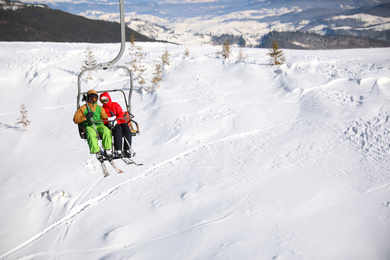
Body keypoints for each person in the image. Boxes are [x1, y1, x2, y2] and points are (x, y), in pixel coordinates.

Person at [73, 90, 112, 160]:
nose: (93, 100)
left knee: (106, 131)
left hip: (99, 125)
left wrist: (109, 115)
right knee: (91, 134)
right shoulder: (83, 108)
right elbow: (76, 119)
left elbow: (104, 117)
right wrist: (85, 117)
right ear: (88, 98)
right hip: (89, 125)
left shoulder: (99, 107)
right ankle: (97, 151)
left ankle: (107, 149)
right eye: (91, 98)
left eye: (95, 98)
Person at [99, 92, 133, 158]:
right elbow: (103, 119)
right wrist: (109, 120)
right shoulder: (102, 109)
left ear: (109, 99)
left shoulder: (115, 105)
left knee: (127, 130)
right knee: (117, 131)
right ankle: (118, 150)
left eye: (106, 100)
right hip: (110, 124)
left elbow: (120, 114)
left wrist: (116, 120)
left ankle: (127, 149)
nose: (105, 102)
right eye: (103, 101)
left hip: (120, 121)